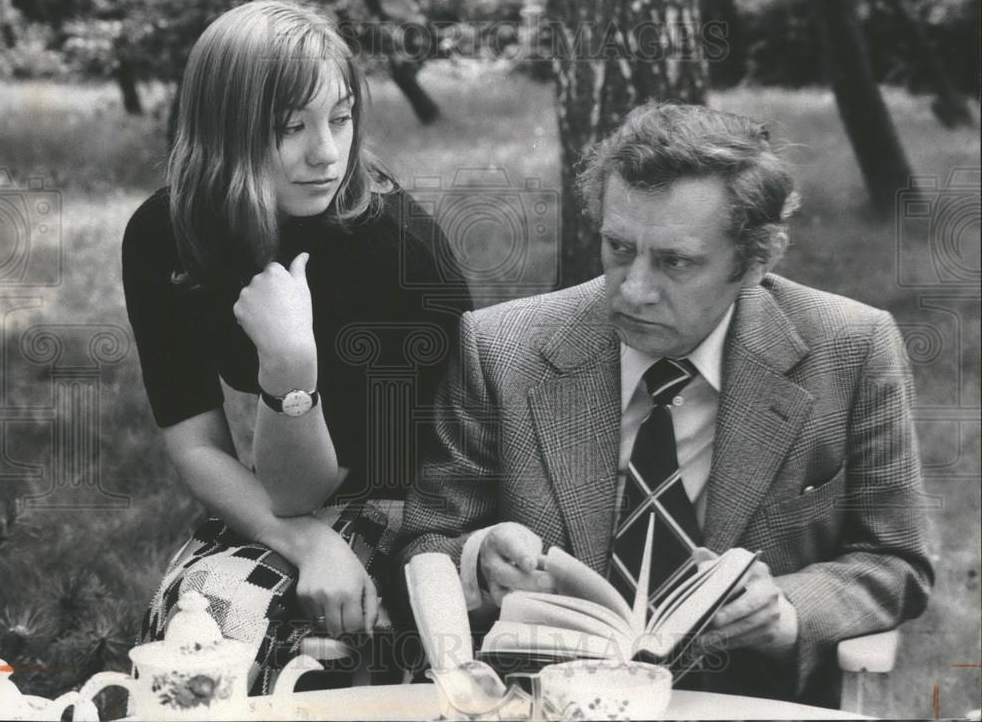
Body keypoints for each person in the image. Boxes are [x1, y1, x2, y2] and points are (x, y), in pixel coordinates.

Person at [398, 102, 933, 705]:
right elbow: (427, 540)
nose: (635, 288)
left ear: (755, 262)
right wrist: (476, 559)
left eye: (675, 261)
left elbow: (895, 559)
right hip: (552, 705)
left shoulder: (851, 349)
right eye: (619, 248)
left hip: (747, 702)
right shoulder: (502, 350)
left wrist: (787, 612)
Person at [122, 0, 471, 694]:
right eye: (292, 127)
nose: (326, 153)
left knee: (263, 628)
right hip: (302, 490)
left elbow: (307, 485)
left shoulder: (388, 250)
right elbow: (196, 445)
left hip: (426, 495)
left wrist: (288, 365)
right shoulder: (166, 235)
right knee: (197, 624)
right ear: (224, 131)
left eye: (340, 119)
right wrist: (306, 541)